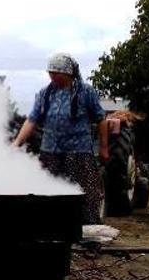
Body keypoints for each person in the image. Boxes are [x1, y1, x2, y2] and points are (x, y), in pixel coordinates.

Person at [12, 53, 108, 224]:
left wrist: (103, 147)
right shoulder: (45, 94)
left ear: (68, 73)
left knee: (86, 193)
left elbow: (101, 119)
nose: (53, 77)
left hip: (79, 153)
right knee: (46, 193)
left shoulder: (86, 92)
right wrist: (17, 143)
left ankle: (89, 232)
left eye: (57, 74)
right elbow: (32, 120)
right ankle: (51, 229)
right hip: (50, 153)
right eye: (50, 73)